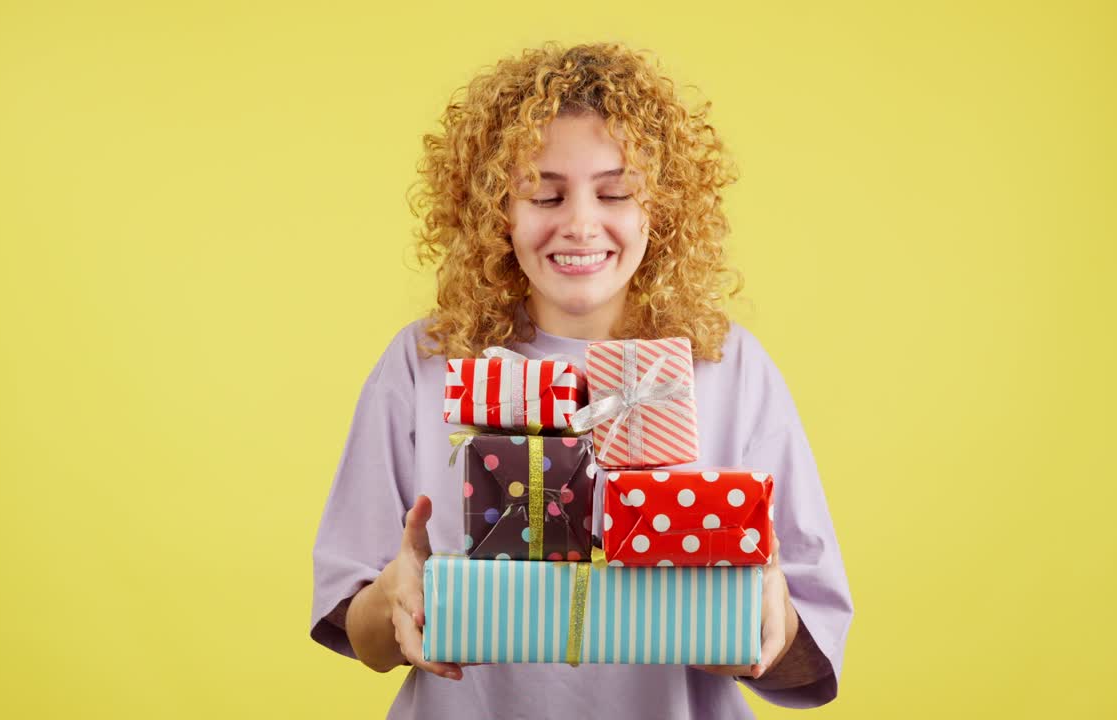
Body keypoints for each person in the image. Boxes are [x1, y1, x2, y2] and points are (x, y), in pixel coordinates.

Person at [310, 42, 853, 719]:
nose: (580, 224)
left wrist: (763, 613)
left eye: (616, 192)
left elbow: (809, 661)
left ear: (660, 207)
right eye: (543, 193)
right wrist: (397, 597)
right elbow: (355, 624)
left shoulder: (728, 366)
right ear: (495, 210)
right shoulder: (428, 363)